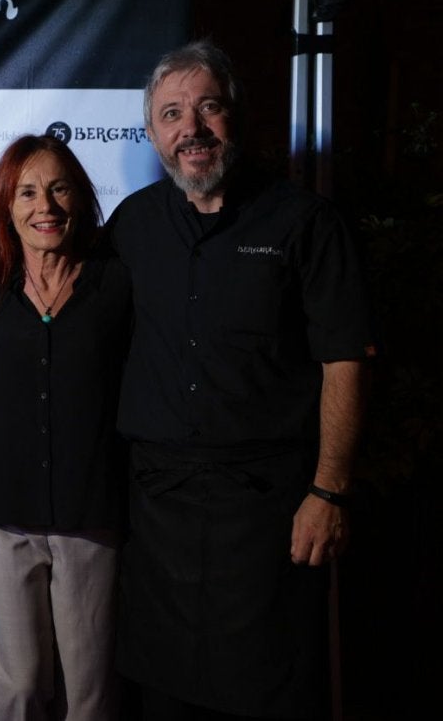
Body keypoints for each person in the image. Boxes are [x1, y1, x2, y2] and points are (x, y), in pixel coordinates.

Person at [110, 40, 372, 720]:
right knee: (162, 696)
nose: (191, 129)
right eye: (172, 114)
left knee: (270, 692)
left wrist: (330, 489)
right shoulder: (131, 226)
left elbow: (343, 359)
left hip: (271, 511)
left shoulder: (305, 223)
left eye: (208, 109)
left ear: (237, 117)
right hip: (156, 511)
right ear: (151, 133)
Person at [0, 135, 130, 721]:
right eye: (28, 192)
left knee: (87, 691)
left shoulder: (115, 283)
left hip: (90, 515)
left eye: (59, 189)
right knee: (17, 684)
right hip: (2, 511)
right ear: (6, 205)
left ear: (81, 198)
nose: (46, 207)